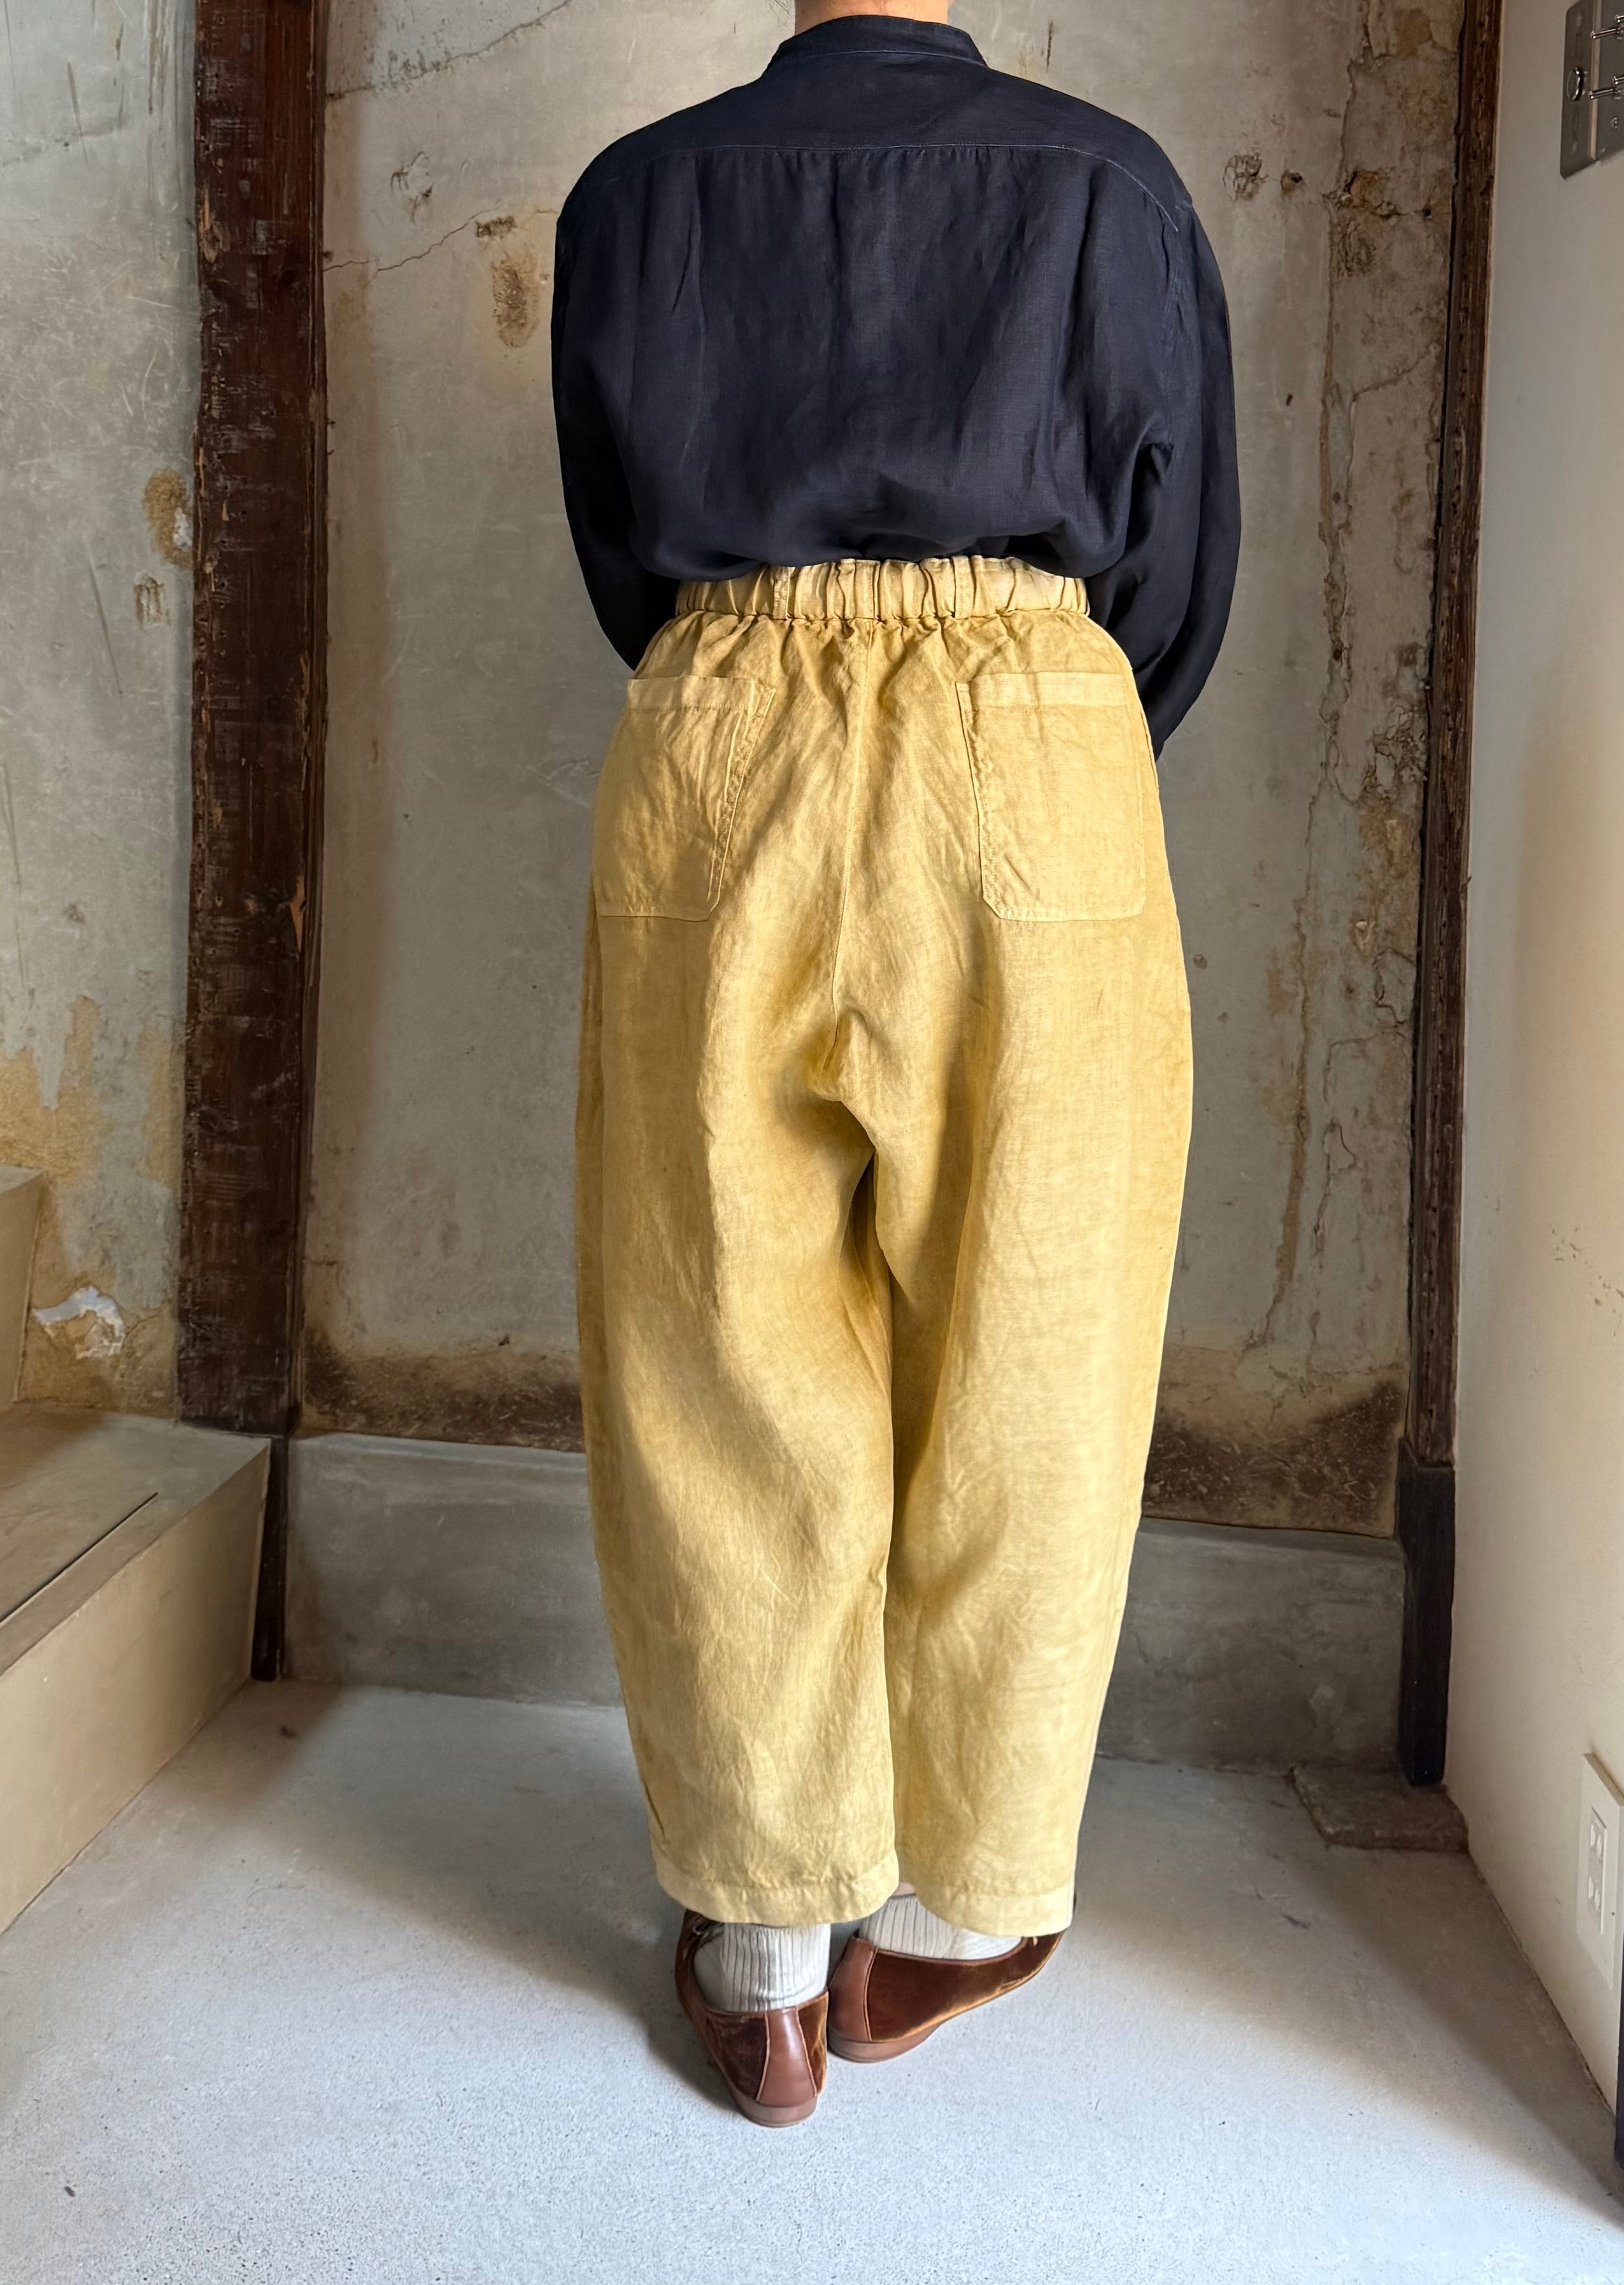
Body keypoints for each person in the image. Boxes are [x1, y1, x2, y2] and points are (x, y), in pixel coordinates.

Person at [549, 0, 1239, 2127]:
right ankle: (951, 1909)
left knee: (718, 1347)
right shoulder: (1112, 181)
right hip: (1034, 734)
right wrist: (1040, 728)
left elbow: (618, 549)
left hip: (719, 727)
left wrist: (754, 680)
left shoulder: (636, 193)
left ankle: (763, 1956)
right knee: (1039, 1335)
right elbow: (1178, 563)